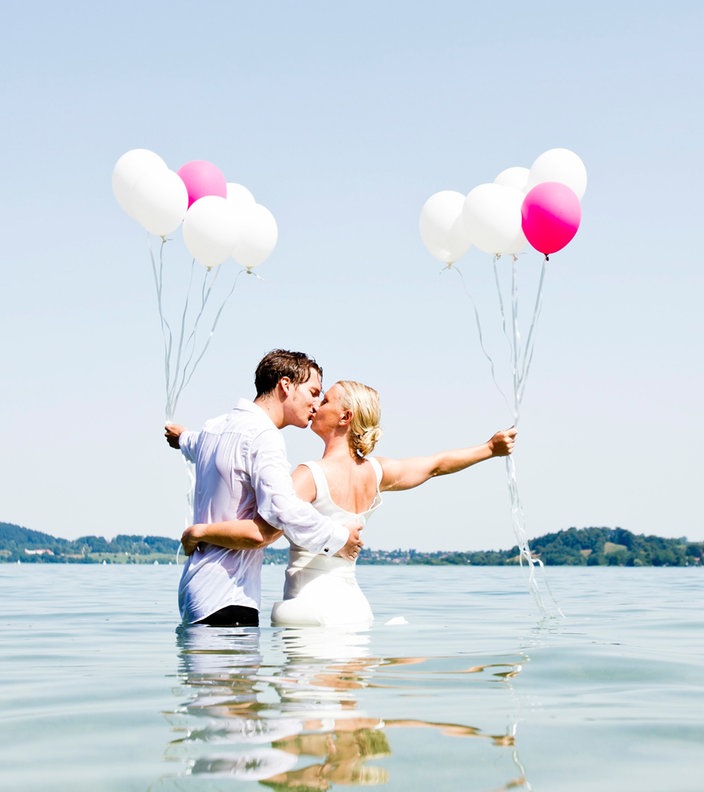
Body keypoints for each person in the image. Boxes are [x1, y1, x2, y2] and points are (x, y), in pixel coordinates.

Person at [181, 380, 517, 627]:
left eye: (325, 400)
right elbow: (435, 465)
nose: (316, 405)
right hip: (353, 606)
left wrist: (202, 532)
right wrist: (489, 448)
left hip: (307, 609)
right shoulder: (376, 472)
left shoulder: (308, 476)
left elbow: (264, 532)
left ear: (345, 416)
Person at [165, 350, 364, 628]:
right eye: (313, 391)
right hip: (229, 597)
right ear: (285, 385)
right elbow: (281, 512)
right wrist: (339, 539)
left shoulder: (212, 429)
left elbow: (191, 441)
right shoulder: (264, 435)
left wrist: (180, 437)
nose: (316, 404)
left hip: (195, 590)